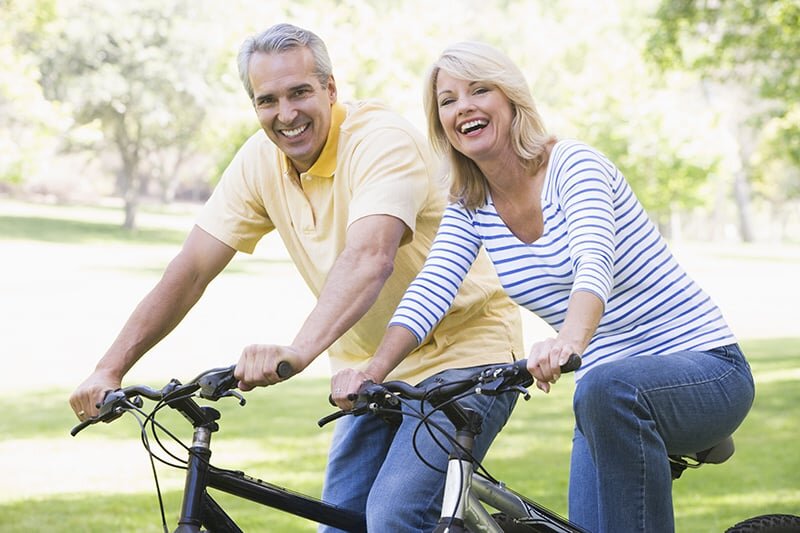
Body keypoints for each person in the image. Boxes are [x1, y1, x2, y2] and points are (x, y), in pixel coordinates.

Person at [68, 24, 524, 532]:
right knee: (337, 524)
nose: (285, 114)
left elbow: (370, 256)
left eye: (300, 92)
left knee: (395, 514)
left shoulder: (380, 141)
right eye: (268, 100)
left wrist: (298, 351)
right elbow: (191, 269)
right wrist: (109, 369)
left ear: (331, 90)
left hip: (463, 356)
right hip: (366, 372)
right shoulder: (260, 162)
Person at [332, 41, 755, 533]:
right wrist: (373, 371)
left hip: (705, 368)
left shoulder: (573, 166)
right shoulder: (471, 204)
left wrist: (569, 342)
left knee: (603, 385)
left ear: (512, 100)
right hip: (605, 400)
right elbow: (432, 287)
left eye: (479, 90)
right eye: (447, 100)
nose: (462, 106)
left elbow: (593, 261)